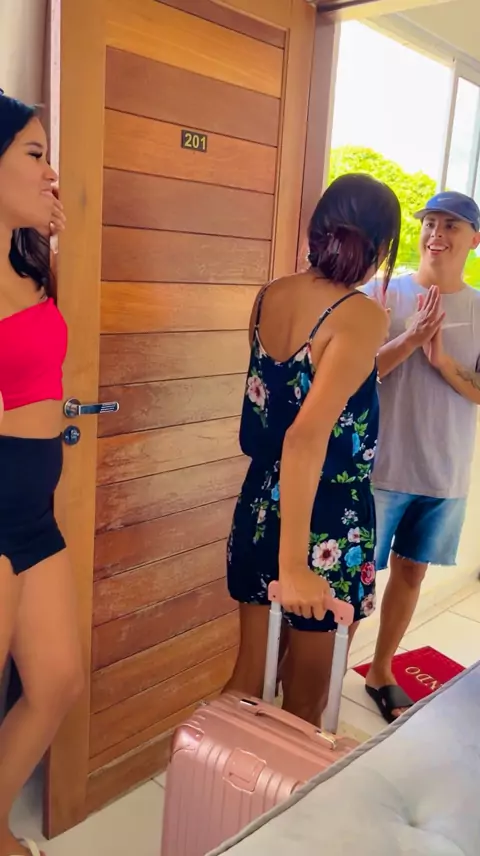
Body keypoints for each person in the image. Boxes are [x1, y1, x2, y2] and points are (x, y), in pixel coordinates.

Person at [225, 174, 401, 725]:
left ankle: (209, 772)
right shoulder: (362, 314)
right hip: (326, 520)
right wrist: (296, 564)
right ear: (379, 247)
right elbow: (306, 437)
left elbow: (309, 391)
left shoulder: (272, 294)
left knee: (248, 680)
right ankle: (268, 786)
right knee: (305, 702)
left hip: (261, 503)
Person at [0, 92, 83, 856]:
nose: (51, 172)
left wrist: (42, 238)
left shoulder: (24, 259)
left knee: (56, 680)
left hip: (34, 509)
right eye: (34, 153)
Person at [363, 191, 480, 723]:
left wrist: (442, 362)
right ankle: (318, 673)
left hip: (443, 473)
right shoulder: (381, 292)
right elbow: (353, 374)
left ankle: (381, 670)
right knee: (353, 580)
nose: (437, 233)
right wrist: (410, 339)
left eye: (451, 225)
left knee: (411, 575)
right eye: (430, 222)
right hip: (379, 468)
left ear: (473, 239)